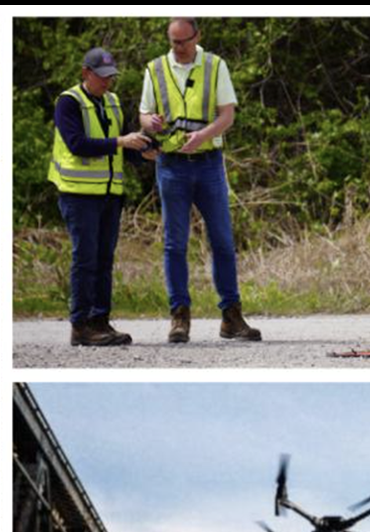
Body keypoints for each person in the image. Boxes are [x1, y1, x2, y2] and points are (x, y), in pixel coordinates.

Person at [139, 17, 260, 344]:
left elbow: (227, 115)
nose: (177, 49)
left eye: (183, 42)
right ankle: (179, 317)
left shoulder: (215, 66)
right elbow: (143, 113)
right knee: (174, 243)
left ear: (197, 37)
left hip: (208, 163)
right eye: (173, 42)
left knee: (222, 240)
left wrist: (203, 135)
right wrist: (148, 121)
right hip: (171, 165)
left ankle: (231, 316)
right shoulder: (155, 69)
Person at [48, 47, 157, 346]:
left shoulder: (112, 101)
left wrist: (144, 152)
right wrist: (122, 141)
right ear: (86, 73)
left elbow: (121, 146)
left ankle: (100, 321)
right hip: (78, 195)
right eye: (103, 77)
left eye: (111, 77)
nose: (108, 83)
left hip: (110, 194)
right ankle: (80, 325)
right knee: (85, 259)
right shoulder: (69, 102)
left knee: (103, 260)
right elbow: (77, 144)